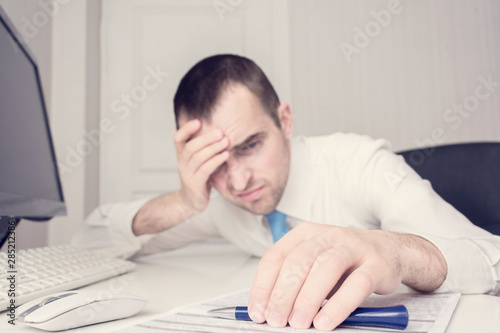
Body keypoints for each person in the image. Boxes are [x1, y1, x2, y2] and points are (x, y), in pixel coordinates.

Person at [75, 54, 500, 331]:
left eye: (251, 145)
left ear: (285, 120)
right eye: (216, 164)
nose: (238, 181)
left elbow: (491, 257)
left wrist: (395, 251)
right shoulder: (219, 201)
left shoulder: (359, 164)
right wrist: (184, 202)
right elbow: (90, 238)